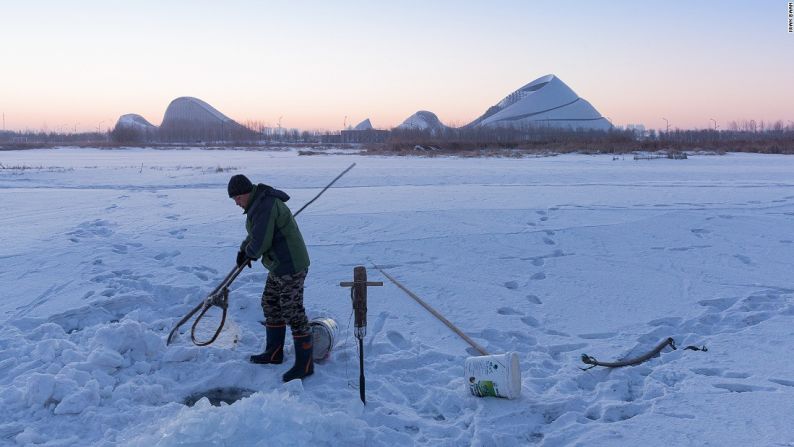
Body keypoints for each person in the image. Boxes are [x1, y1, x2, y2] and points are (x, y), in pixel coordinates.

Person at [227, 174, 313, 382]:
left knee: (292, 309)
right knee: (270, 302)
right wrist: (243, 251)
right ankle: (274, 353)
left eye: (237, 198)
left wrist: (251, 253)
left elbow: (261, 240)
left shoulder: (265, 205)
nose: (236, 203)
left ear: (246, 193)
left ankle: (306, 364)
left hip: (291, 264)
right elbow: (256, 234)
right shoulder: (258, 204)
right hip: (278, 265)